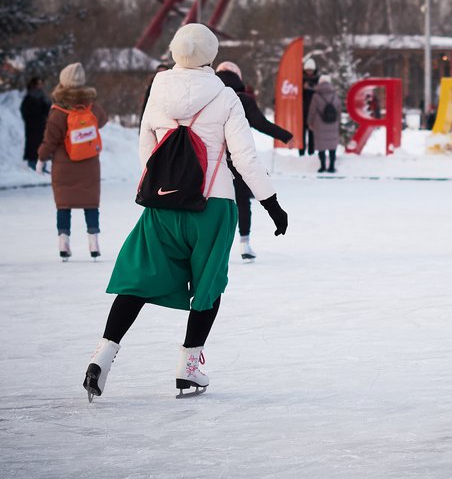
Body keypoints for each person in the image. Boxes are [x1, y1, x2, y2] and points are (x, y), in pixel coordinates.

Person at [81, 24, 289, 402]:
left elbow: (147, 146)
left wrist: (166, 186)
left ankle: (103, 355)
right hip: (214, 205)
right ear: (211, 54)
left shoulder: (158, 89)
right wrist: (271, 203)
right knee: (208, 286)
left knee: (138, 280)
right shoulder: (227, 98)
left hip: (163, 204)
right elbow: (243, 157)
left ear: (176, 52)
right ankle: (188, 368)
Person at [215, 61, 294, 261]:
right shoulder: (241, 99)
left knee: (213, 203)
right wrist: (285, 135)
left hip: (211, 159)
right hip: (237, 156)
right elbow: (260, 123)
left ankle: (212, 247)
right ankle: (244, 243)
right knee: (242, 201)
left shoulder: (209, 96)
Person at [36, 63, 108, 261]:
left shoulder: (58, 110)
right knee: (91, 204)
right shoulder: (91, 105)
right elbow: (102, 120)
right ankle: (93, 241)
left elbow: (50, 139)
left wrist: (41, 158)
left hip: (63, 165)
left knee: (64, 205)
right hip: (89, 164)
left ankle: (63, 242)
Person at [307, 74, 340, 173]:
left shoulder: (316, 96)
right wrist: (338, 123)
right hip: (333, 124)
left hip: (319, 124)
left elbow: (312, 111)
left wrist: (309, 122)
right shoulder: (335, 95)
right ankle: (331, 167)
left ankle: (322, 167)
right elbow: (338, 110)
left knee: (321, 145)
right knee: (332, 145)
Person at [20, 76, 50, 170]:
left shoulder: (43, 97)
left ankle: (42, 169)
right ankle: (33, 170)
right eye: (38, 84)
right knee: (33, 151)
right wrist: (38, 118)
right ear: (33, 85)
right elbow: (26, 113)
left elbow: (48, 111)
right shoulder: (28, 98)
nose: (40, 86)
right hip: (33, 129)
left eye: (41, 84)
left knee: (42, 150)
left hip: (43, 129)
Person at [139, 62, 170, 127]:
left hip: (168, 121)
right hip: (154, 119)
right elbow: (146, 105)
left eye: (163, 72)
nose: (161, 74)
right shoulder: (152, 87)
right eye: (159, 72)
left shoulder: (172, 86)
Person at [301, 57, 319, 156]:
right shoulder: (300, 79)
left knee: (312, 134)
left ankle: (311, 153)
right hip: (302, 111)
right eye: (307, 70)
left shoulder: (318, 80)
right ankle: (301, 153)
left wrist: (312, 89)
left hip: (313, 111)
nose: (309, 72)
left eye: (311, 70)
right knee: (302, 134)